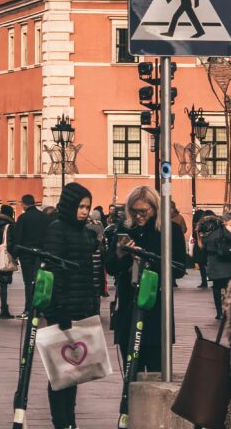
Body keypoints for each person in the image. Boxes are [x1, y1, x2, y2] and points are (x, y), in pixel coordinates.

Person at [106, 185, 186, 376]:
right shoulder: (124, 229)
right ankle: (129, 405)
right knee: (131, 373)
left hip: (157, 308)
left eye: (143, 211)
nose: (138, 216)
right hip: (128, 306)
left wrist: (147, 260)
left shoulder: (170, 230)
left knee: (156, 370)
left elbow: (179, 269)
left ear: (155, 208)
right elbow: (111, 268)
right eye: (134, 211)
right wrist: (119, 254)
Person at [42, 182, 102, 429]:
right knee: (59, 372)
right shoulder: (57, 230)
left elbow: (90, 273)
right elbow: (53, 271)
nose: (84, 211)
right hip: (62, 311)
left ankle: (71, 420)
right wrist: (59, 309)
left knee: (76, 372)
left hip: (81, 310)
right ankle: (61, 421)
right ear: (69, 205)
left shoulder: (85, 232)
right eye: (80, 206)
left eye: (87, 207)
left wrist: (91, 307)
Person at [10, 193, 51, 315]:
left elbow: (18, 237)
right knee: (40, 281)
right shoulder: (44, 217)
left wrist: (15, 254)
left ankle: (28, 309)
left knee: (28, 282)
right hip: (41, 254)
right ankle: (40, 308)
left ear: (24, 204)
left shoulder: (23, 218)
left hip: (26, 254)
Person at [199, 211, 231, 320]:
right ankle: (227, 311)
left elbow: (202, 245)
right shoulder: (222, 229)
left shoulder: (205, 231)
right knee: (227, 287)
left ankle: (219, 313)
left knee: (216, 288)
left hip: (213, 261)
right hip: (225, 261)